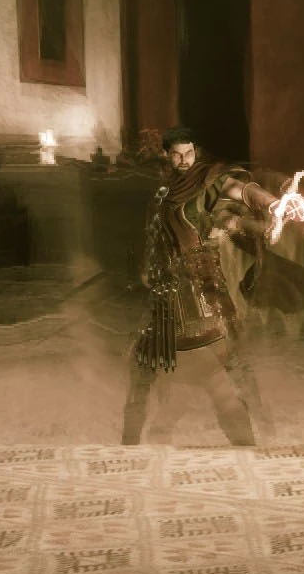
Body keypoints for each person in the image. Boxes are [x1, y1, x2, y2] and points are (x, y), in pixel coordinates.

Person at [122, 127, 290, 446]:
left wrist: (272, 207)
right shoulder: (163, 192)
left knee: (223, 373)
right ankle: (129, 447)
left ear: (195, 151)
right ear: (167, 155)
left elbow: (237, 193)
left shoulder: (207, 183)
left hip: (204, 293)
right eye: (177, 155)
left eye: (189, 153)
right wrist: (148, 271)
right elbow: (157, 238)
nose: (184, 160)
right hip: (166, 294)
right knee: (142, 370)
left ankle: (251, 442)